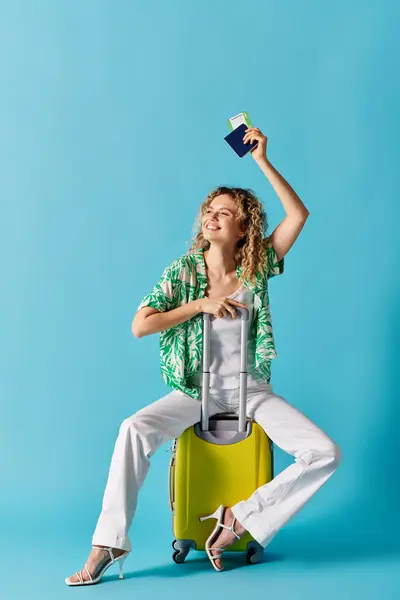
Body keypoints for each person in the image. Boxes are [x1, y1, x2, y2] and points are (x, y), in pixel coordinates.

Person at [65, 126, 341, 585]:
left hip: (250, 390)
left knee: (324, 452)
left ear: (243, 228)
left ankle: (240, 519)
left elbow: (298, 215)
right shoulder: (183, 271)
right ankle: (108, 542)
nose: (213, 217)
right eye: (210, 211)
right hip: (196, 390)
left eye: (226, 213)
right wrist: (199, 305)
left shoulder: (258, 266)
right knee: (133, 429)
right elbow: (141, 325)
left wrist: (261, 161)